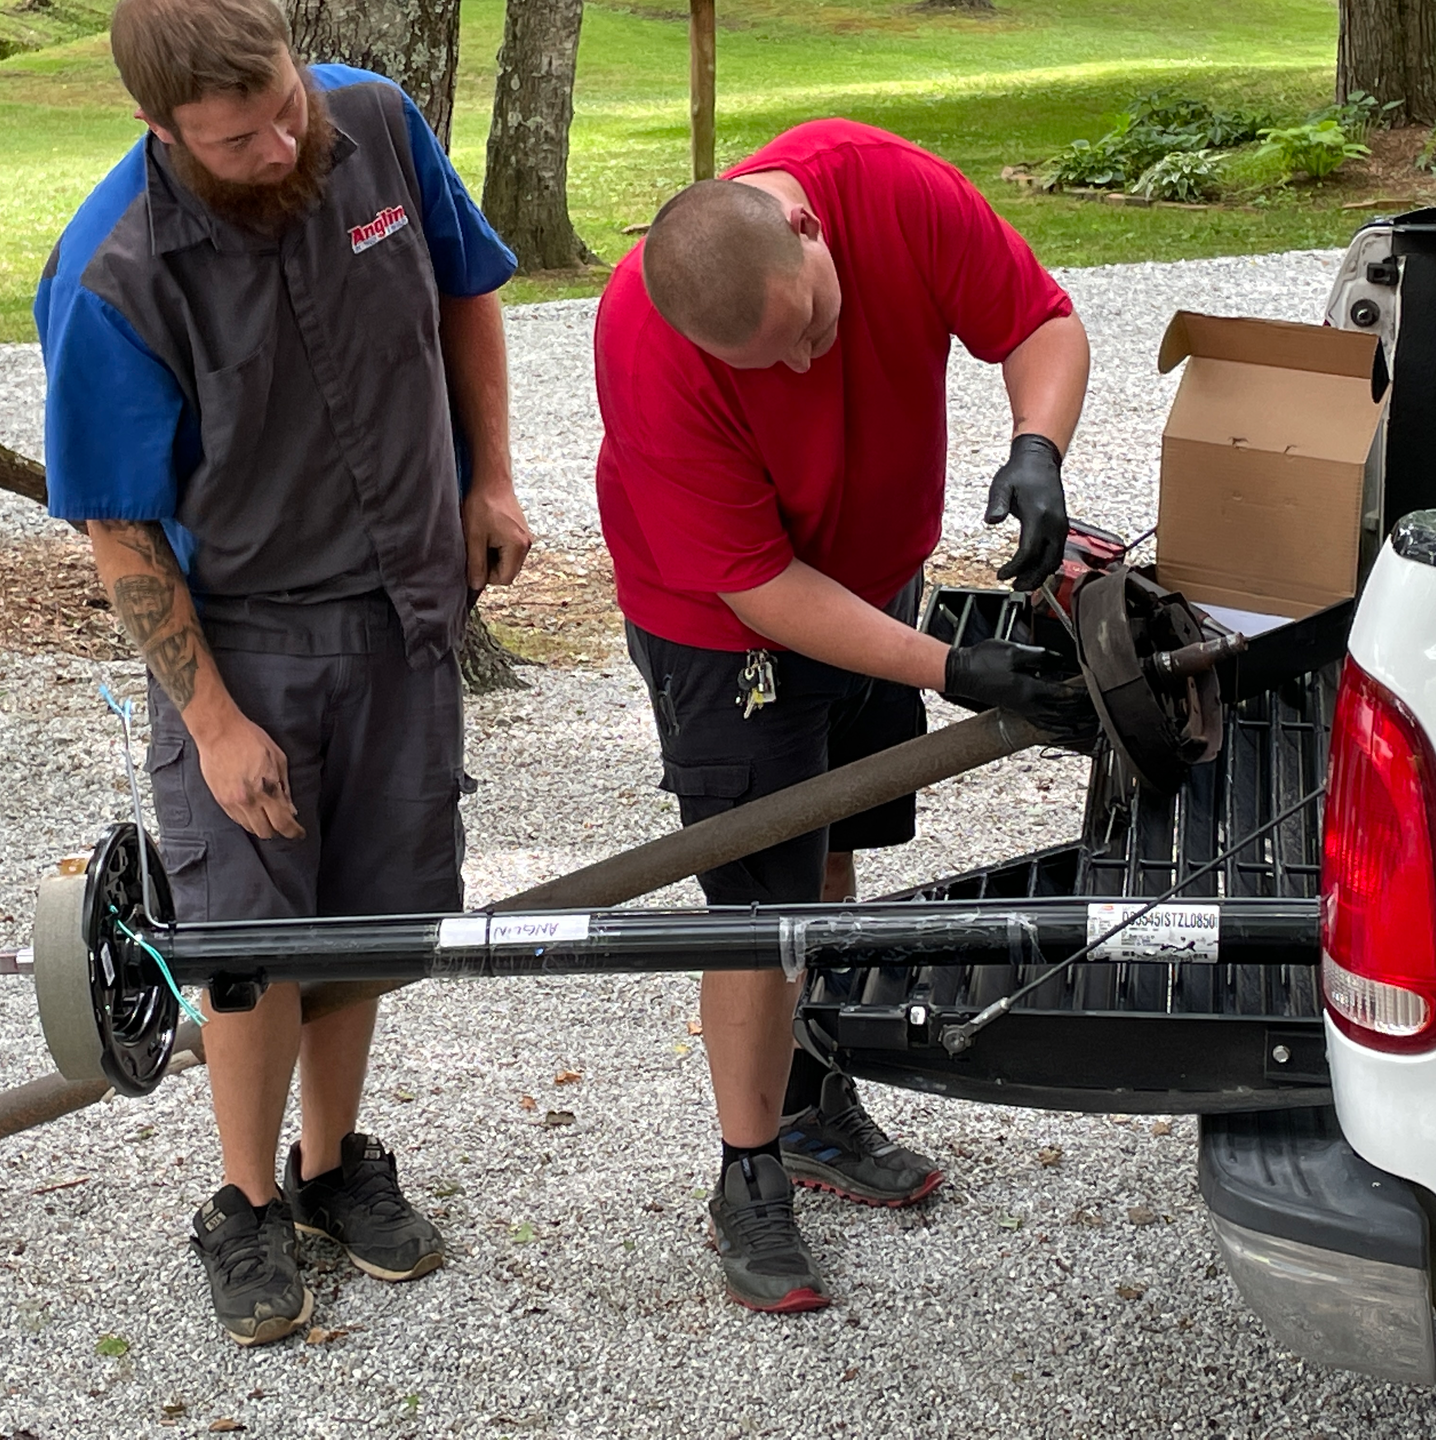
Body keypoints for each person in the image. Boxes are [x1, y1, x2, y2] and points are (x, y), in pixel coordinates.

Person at [34, 0, 530, 1346]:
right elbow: (120, 529)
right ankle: (244, 1204)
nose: (279, 142)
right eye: (237, 137)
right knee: (251, 944)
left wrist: (490, 474)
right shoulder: (116, 271)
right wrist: (210, 721)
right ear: (159, 128)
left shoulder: (368, 118)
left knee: (367, 924)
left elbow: (463, 289)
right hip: (246, 644)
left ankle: (332, 1169)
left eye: (284, 104)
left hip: (403, 617)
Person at [592, 119, 1092, 1313]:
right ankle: (745, 1170)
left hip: (876, 580)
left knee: (836, 854)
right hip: (726, 632)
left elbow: (1040, 323)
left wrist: (1037, 447)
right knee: (755, 908)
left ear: (809, 232)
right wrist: (952, 666)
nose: (806, 366)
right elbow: (757, 583)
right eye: (770, 363)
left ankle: (813, 1104)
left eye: (812, 326)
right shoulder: (644, 337)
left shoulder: (884, 189)